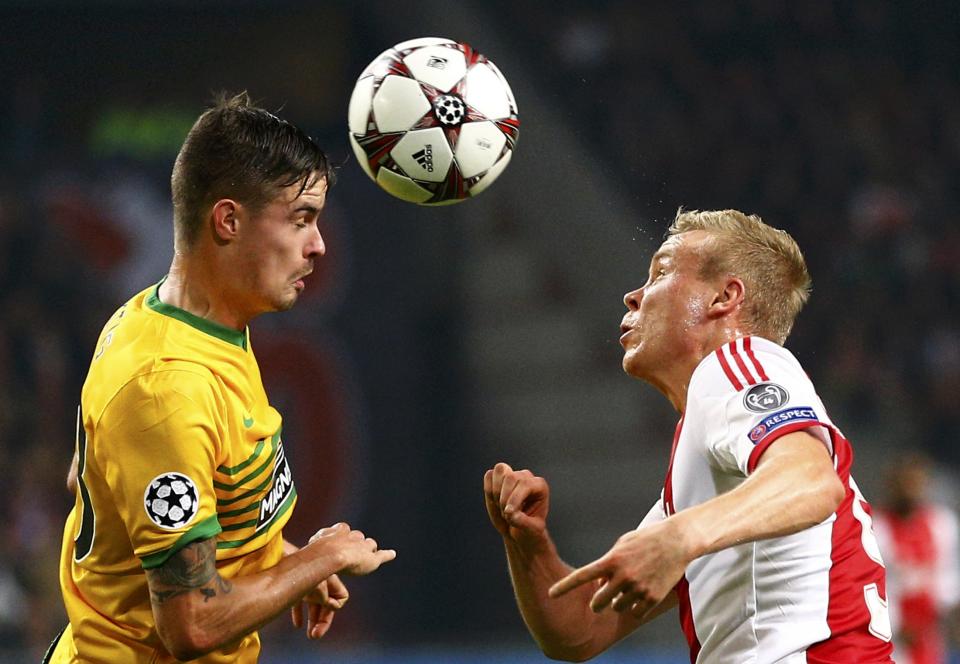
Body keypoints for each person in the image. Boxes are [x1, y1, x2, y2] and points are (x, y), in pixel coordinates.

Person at [48, 92, 396, 663]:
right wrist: (319, 559)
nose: (319, 245)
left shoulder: (176, 319)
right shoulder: (168, 386)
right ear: (228, 220)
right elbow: (194, 626)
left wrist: (280, 565)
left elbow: (89, 481)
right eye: (301, 219)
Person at [484, 209, 894, 663]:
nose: (633, 295)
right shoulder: (720, 486)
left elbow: (811, 481)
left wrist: (678, 538)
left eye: (660, 272)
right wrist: (529, 544)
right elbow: (580, 630)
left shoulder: (739, 361)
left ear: (724, 297)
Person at [874, 455, 960, 664]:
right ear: (891, 484)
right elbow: (871, 585)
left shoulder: (942, 524)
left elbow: (948, 578)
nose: (910, 489)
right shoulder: (876, 527)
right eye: (904, 482)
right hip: (889, 635)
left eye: (916, 482)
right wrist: (893, 623)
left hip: (931, 634)